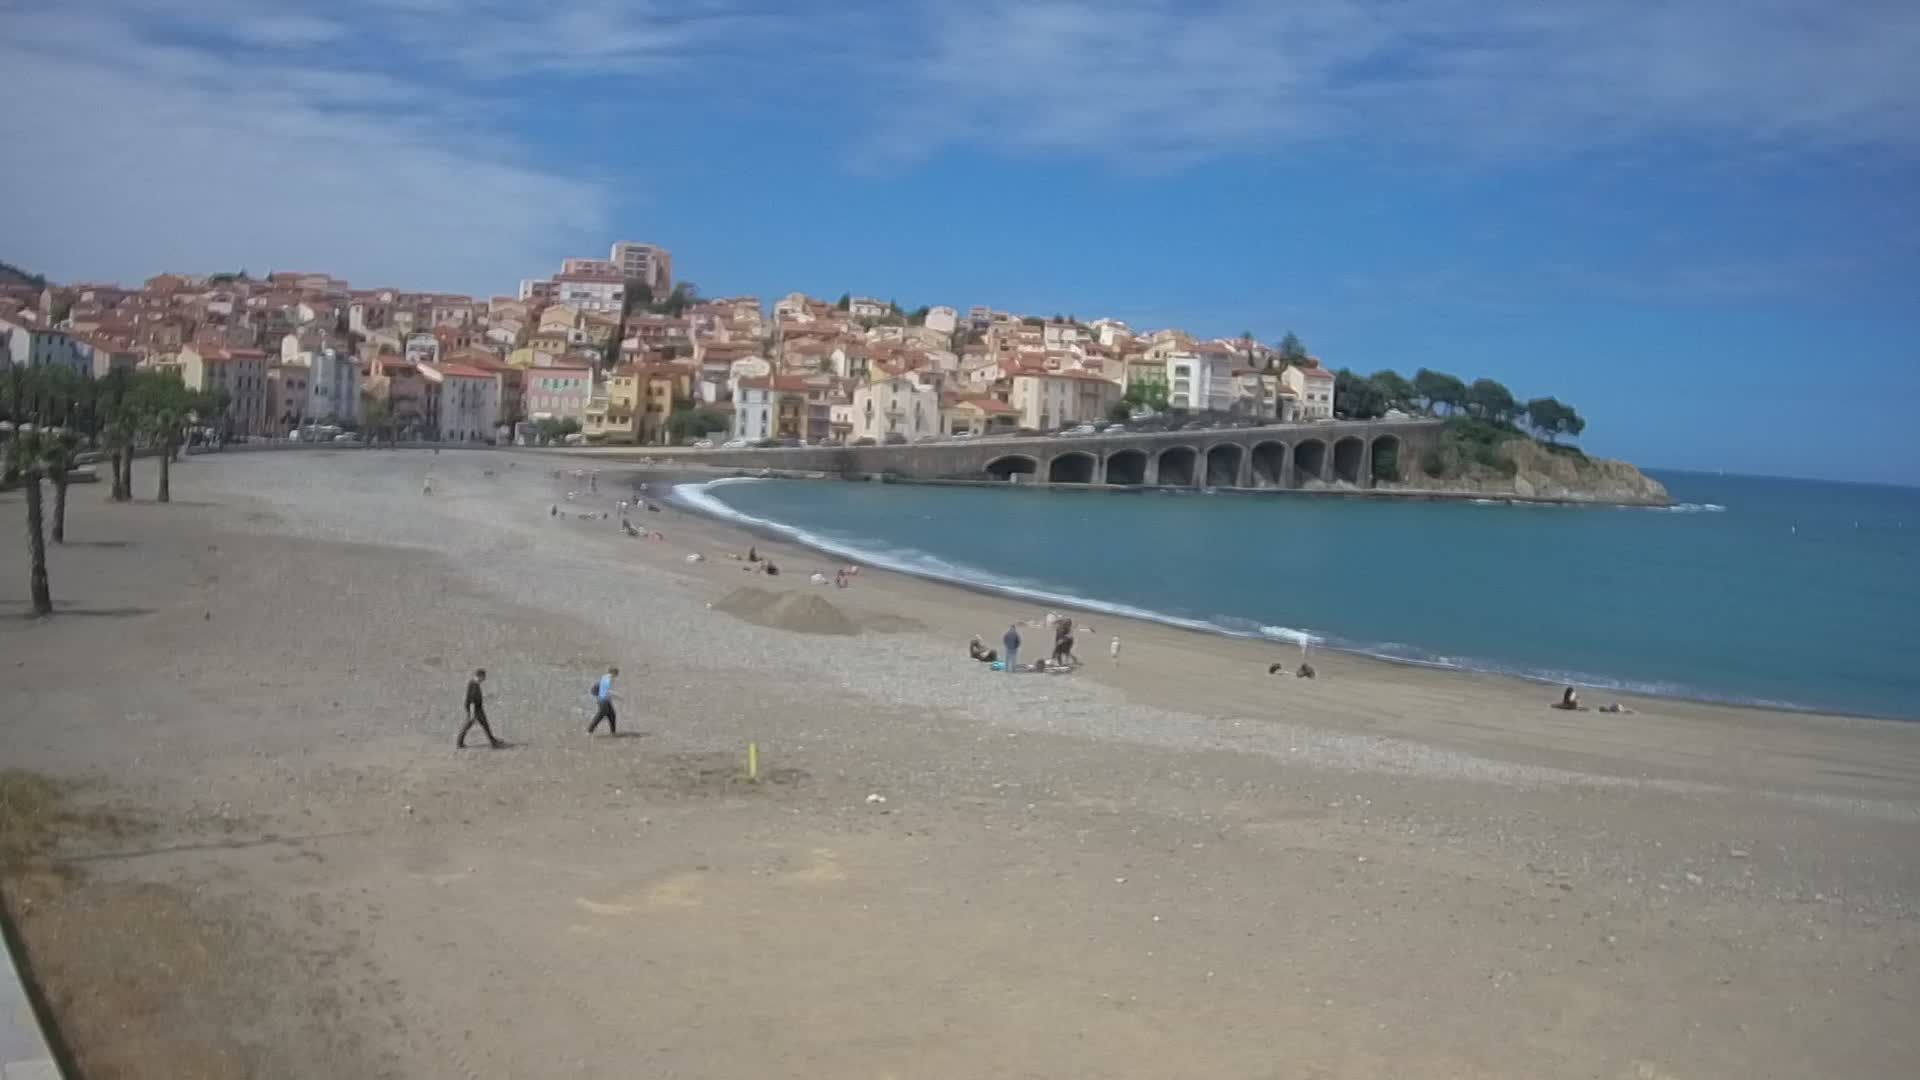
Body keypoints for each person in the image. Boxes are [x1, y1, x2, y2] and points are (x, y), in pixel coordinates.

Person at [458, 669, 504, 749]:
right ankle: (459, 743)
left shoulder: (473, 683)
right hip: (475, 709)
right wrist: (472, 714)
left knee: (483, 725)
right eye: (483, 677)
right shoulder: (474, 685)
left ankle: (493, 741)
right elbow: (472, 701)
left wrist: (487, 697)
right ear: (480, 676)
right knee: (471, 725)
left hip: (477, 708)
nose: (484, 679)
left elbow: (475, 697)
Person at [588, 666, 619, 735]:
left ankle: (613, 733)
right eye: (616, 673)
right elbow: (606, 692)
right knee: (601, 715)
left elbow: (594, 689)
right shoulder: (608, 679)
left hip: (604, 699)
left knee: (612, 715)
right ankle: (589, 731)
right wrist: (617, 696)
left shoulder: (605, 677)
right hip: (603, 700)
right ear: (613, 673)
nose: (616, 676)